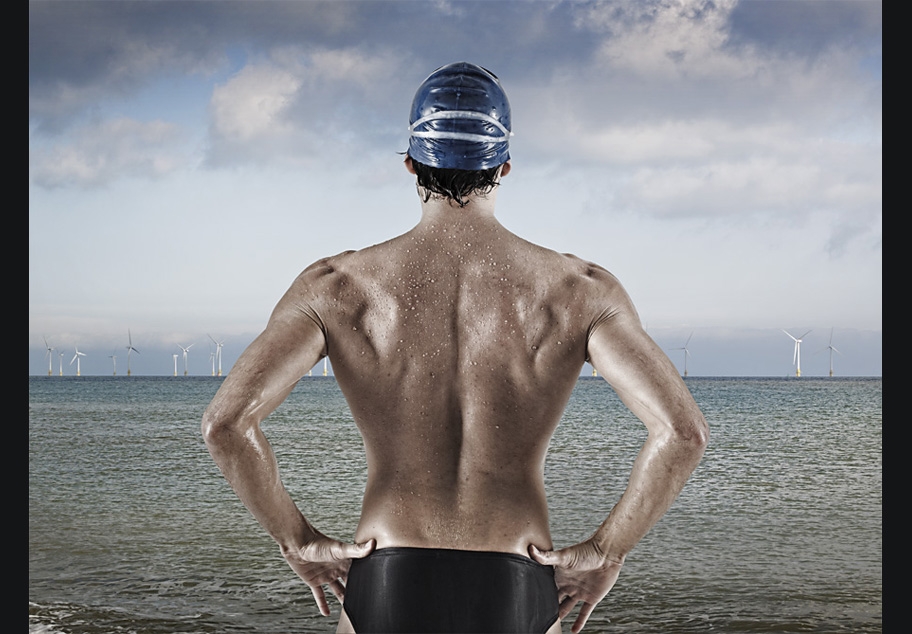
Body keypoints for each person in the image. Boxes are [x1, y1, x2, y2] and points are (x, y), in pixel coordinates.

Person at [202, 61, 708, 634]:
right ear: (505, 166)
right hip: (518, 571)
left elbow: (226, 425)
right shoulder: (578, 292)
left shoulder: (336, 287)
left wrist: (297, 539)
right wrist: (607, 550)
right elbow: (682, 433)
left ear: (411, 163)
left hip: (386, 567)